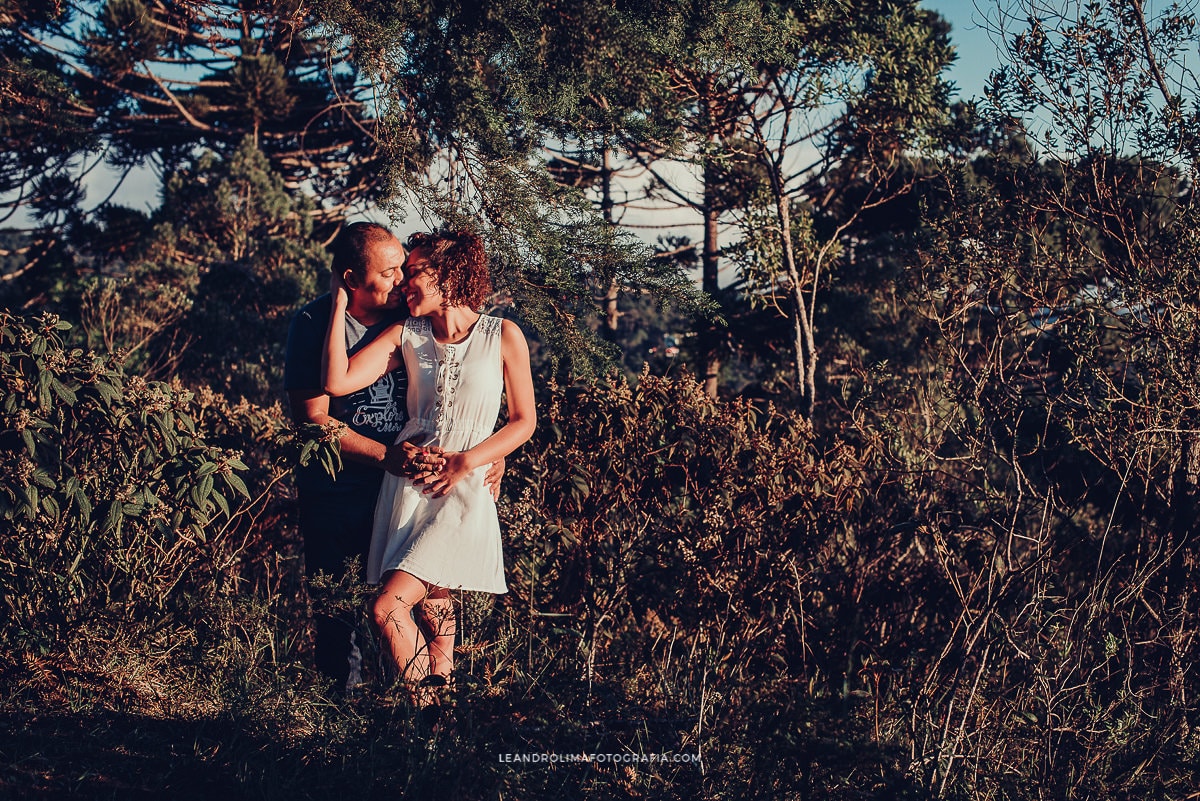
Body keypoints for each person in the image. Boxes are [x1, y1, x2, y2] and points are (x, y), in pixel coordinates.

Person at [285, 222, 501, 693]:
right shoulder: (312, 324)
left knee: (429, 588)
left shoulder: (410, 316)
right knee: (339, 606)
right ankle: (339, 713)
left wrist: (486, 453)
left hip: (406, 487)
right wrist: (388, 457)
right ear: (350, 280)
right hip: (337, 490)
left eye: (405, 268)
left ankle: (429, 695)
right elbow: (311, 419)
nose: (403, 279)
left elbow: (465, 387)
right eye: (390, 272)